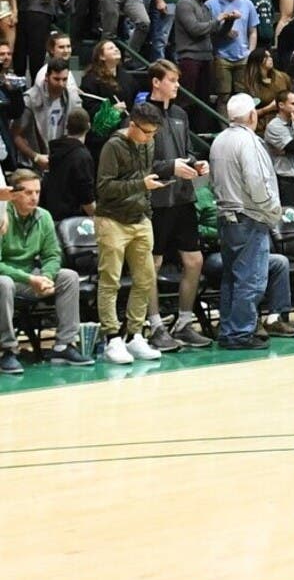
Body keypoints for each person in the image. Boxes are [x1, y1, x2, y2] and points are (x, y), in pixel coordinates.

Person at [208, 93, 294, 350]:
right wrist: (272, 210)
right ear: (251, 116)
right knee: (251, 279)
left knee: (232, 278)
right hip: (249, 216)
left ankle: (228, 329)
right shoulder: (249, 142)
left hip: (226, 216)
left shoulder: (219, 141)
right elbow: (257, 182)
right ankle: (240, 333)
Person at [95, 103, 177, 364]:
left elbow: (145, 179)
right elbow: (104, 188)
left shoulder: (148, 143)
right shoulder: (113, 146)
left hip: (140, 218)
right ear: (132, 125)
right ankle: (111, 339)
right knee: (110, 280)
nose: (150, 138)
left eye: (154, 133)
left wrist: (147, 210)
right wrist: (140, 185)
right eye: (147, 132)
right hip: (112, 220)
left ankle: (135, 334)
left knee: (145, 279)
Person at [0, 168, 92, 375]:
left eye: (37, 192)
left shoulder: (44, 217)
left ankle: (63, 345)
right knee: (3, 283)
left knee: (69, 277)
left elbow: (52, 256)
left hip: (32, 277)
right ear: (13, 194)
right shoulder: (2, 217)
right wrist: (30, 278)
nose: (34, 198)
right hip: (9, 278)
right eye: (28, 192)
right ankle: (8, 349)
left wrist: (47, 278)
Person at [146, 59, 211, 350]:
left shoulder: (181, 114)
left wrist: (196, 162)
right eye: (171, 80)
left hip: (183, 197)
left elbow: (185, 151)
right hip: (157, 200)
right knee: (153, 263)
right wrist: (172, 166)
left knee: (194, 260)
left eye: (177, 80)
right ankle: (155, 325)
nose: (177, 85)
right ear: (156, 82)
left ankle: (184, 322)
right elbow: (143, 164)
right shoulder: (143, 115)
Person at [40, 106, 96, 222]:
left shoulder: (56, 149)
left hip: (51, 214)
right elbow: (85, 195)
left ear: (67, 126)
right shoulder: (82, 156)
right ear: (88, 127)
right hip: (73, 219)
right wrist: (97, 217)